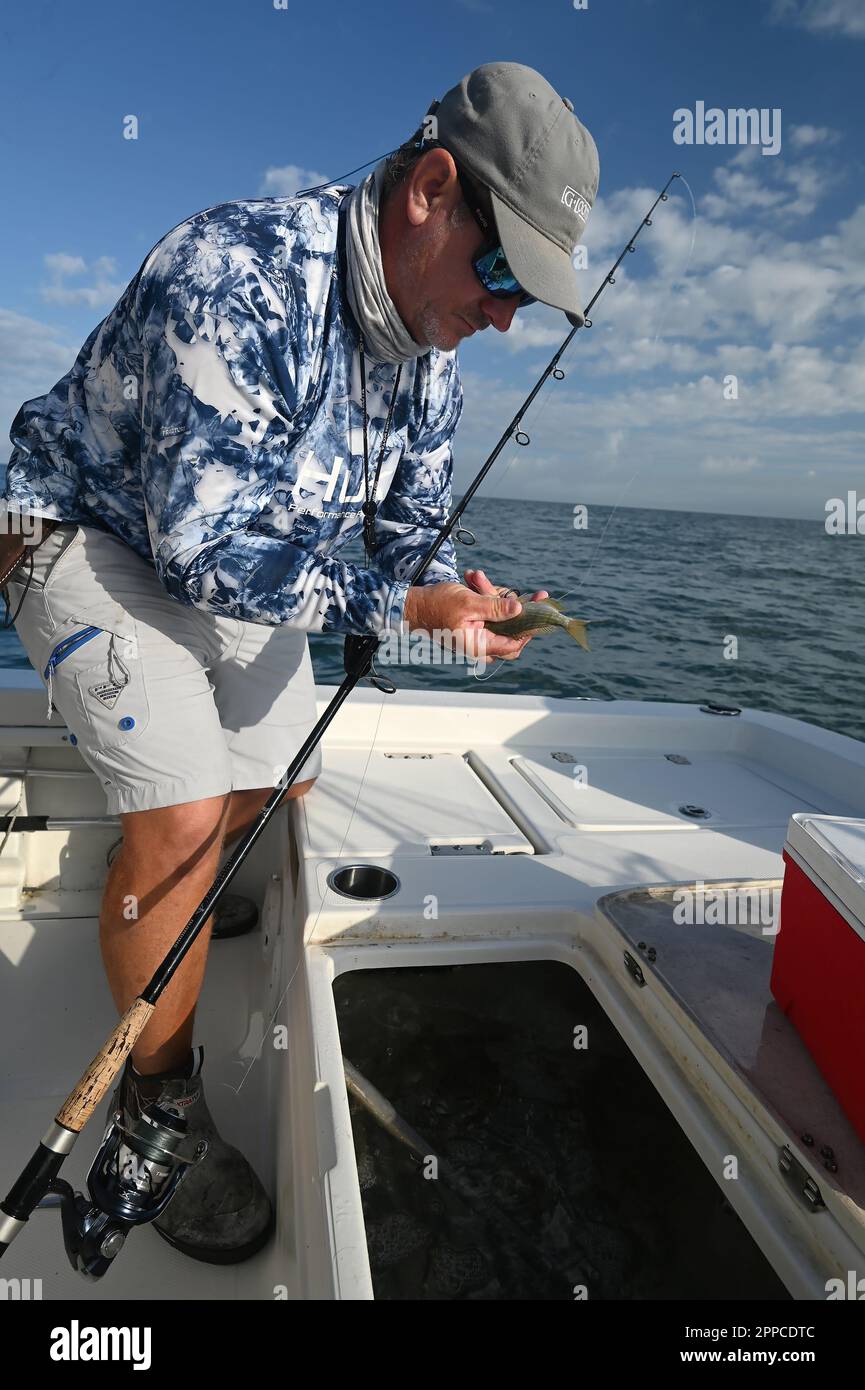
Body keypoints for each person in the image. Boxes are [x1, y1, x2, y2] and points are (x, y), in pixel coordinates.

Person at [0, 61, 598, 1264]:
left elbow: (402, 536)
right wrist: (403, 600)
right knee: (177, 826)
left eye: (525, 303)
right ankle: (155, 1107)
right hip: (86, 530)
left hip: (229, 559)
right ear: (433, 188)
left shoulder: (433, 356)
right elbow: (207, 549)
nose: (500, 317)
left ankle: (185, 919)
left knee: (283, 789)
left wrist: (458, 592)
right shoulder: (234, 274)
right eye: (500, 276)